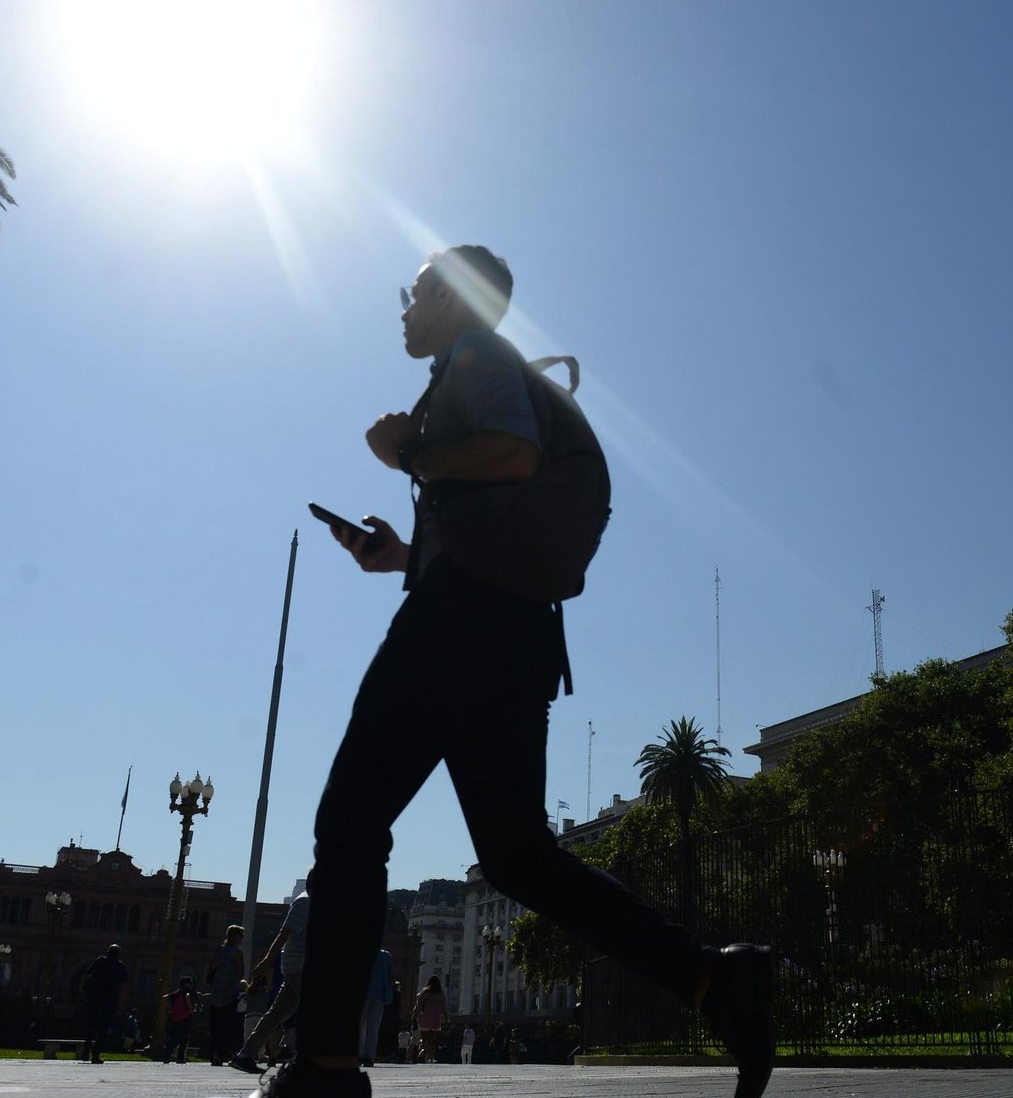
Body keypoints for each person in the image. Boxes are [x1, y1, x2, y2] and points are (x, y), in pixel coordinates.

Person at [255, 247, 774, 1098]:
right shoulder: (471, 369)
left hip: (458, 629)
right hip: (516, 634)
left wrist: (411, 455)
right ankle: (716, 979)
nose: (404, 307)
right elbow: (491, 514)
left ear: (455, 299)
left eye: (416, 291)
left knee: (350, 823)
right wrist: (400, 556)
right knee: (520, 857)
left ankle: (323, 1069)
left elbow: (513, 456)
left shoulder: (476, 360)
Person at [231, 891, 310, 1073]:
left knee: (276, 1014)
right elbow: (284, 933)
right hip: (300, 968)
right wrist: (266, 962)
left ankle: (245, 1055)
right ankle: (299, 1054)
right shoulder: (304, 902)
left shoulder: (313, 903)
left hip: (298, 968)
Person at [78, 943, 127, 1065]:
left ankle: (85, 1052)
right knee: (102, 1029)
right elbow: (122, 987)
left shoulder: (99, 961)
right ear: (118, 954)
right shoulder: (120, 966)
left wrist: (82, 993)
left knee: (90, 1026)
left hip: (93, 998)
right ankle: (95, 1055)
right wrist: (120, 1006)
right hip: (109, 1000)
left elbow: (86, 976)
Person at [207, 924, 246, 1066]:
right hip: (229, 993)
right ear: (234, 936)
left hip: (217, 991)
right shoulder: (237, 952)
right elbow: (241, 971)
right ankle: (224, 1052)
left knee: (215, 1024)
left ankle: (214, 1053)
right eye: (240, 935)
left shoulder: (219, 949)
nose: (241, 938)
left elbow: (211, 966)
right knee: (227, 1024)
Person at [356, 948, 394, 1067]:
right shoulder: (386, 955)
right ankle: (369, 1057)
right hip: (380, 995)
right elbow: (391, 976)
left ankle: (358, 1054)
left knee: (360, 1026)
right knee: (373, 1028)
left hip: (362, 994)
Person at [412, 975, 447, 1063]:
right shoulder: (441, 995)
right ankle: (431, 1058)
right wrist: (446, 1018)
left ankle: (424, 1050)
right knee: (433, 1041)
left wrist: (414, 1015)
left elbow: (418, 1006)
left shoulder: (423, 993)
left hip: (424, 1019)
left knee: (424, 1039)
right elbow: (444, 1008)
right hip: (436, 1020)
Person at [161, 976, 195, 1064]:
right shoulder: (186, 992)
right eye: (190, 983)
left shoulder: (176, 993)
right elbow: (188, 999)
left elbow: (164, 998)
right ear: (186, 984)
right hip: (184, 1018)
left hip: (175, 1018)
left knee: (172, 1038)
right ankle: (180, 1058)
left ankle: (166, 1057)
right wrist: (190, 1009)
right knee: (184, 1038)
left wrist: (171, 1008)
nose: (191, 984)